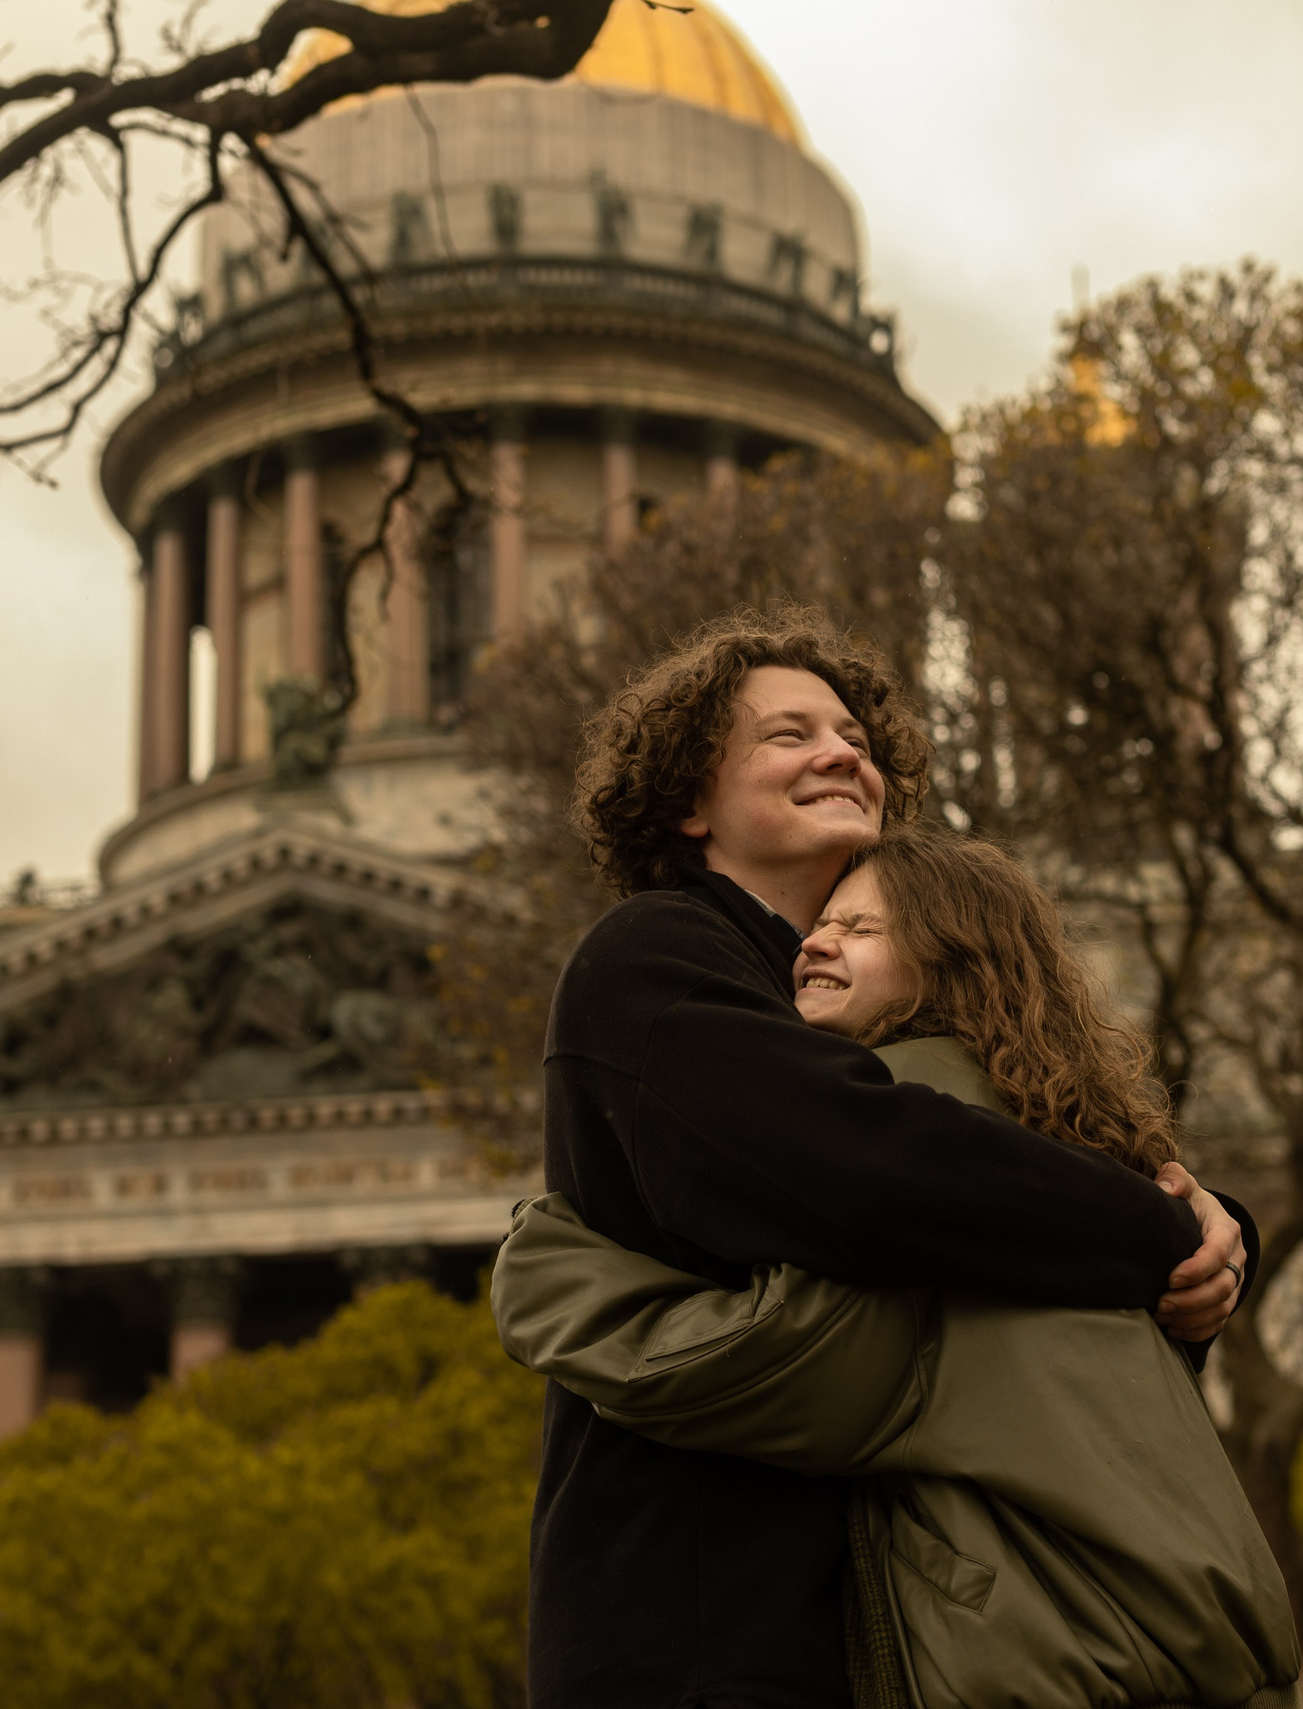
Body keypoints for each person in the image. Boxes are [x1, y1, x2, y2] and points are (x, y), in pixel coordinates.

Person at [528, 608, 1260, 1709]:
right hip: (703, 1631)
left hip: (873, 1631)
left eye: (855, 738)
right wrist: (1161, 1232)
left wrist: (1218, 1227)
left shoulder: (855, 1013)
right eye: (787, 735)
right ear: (689, 801)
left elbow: (1006, 1204)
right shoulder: (655, 955)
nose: (841, 752)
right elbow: (876, 1170)